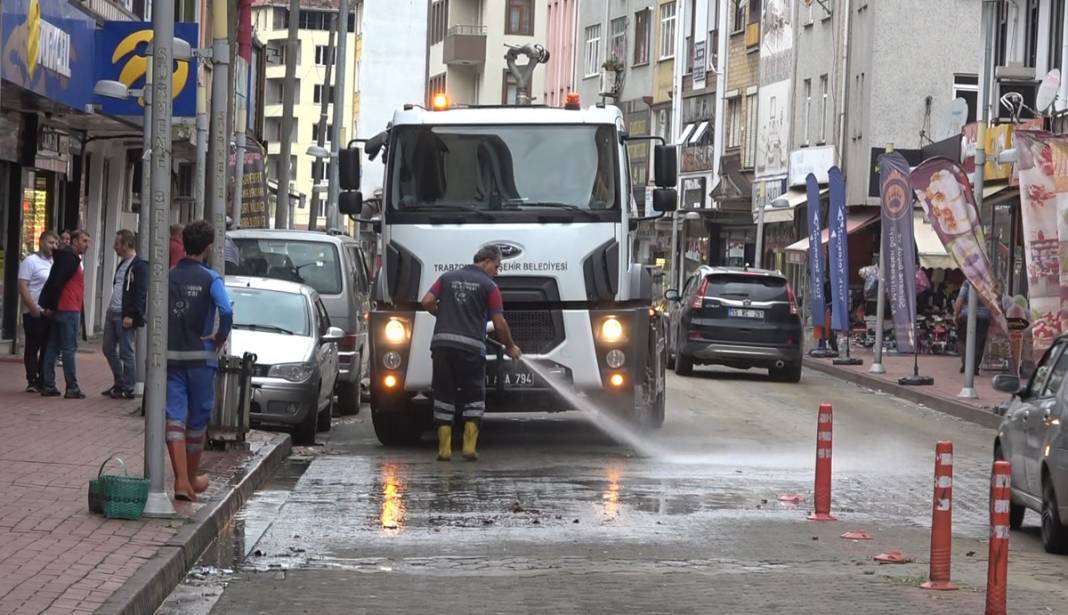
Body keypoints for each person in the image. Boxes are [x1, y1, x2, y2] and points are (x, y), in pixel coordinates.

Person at [420, 246, 520, 462]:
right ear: (485, 261)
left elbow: (426, 301)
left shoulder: (447, 278)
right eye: (497, 266)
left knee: (444, 396)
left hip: (442, 347)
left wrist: (442, 312)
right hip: (471, 349)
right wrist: (510, 347)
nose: (497, 271)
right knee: (474, 396)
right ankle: (468, 448)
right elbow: (500, 323)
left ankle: (444, 449)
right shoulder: (489, 286)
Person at [166, 220, 233, 501]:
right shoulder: (210, 278)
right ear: (207, 247)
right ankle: (189, 479)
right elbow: (226, 310)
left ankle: (184, 481)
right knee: (197, 422)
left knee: (174, 419)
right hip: (201, 359)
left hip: (171, 358)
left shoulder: (169, 275)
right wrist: (219, 337)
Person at [38, 230, 91, 398]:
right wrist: (50, 304)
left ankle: (48, 384)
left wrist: (50, 305)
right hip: (68, 309)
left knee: (53, 346)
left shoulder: (65, 258)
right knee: (68, 348)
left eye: (87, 241)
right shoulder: (70, 258)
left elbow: (54, 280)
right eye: (83, 240)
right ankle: (72, 386)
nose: (86, 244)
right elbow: (56, 282)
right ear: (74, 241)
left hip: (62, 308)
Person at [101, 230, 148, 399]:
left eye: (118, 244)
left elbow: (140, 293)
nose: (115, 247)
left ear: (127, 244)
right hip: (112, 310)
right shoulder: (122, 264)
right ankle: (119, 381)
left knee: (126, 351)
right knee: (107, 348)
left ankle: (128, 386)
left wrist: (132, 315)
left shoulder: (139, 266)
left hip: (124, 313)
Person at [17, 231, 58, 392]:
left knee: (47, 347)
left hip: (50, 312)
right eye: (50, 243)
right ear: (41, 242)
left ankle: (43, 377)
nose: (53, 246)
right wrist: (33, 308)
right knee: (33, 346)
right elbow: (23, 286)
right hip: (34, 312)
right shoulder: (30, 261)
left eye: (55, 243)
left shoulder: (55, 263)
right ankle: (32, 379)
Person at [954, 280, 992, 375]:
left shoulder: (967, 282)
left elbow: (960, 299)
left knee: (962, 340)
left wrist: (956, 314)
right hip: (984, 317)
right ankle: (974, 367)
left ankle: (967, 364)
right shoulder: (987, 282)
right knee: (979, 343)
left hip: (967, 315)